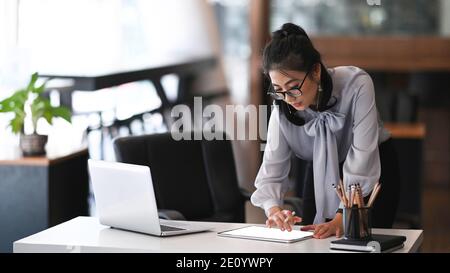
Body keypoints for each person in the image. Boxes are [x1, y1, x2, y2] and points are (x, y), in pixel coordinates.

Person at [250, 23, 400, 239]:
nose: (288, 98)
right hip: (320, 170)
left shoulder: (356, 84)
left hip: (371, 169)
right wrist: (274, 211)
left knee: (362, 242)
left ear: (316, 71)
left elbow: (363, 157)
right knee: (314, 240)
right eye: (279, 90)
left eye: (293, 86)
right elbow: (272, 167)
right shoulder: (282, 106)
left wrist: (342, 216)